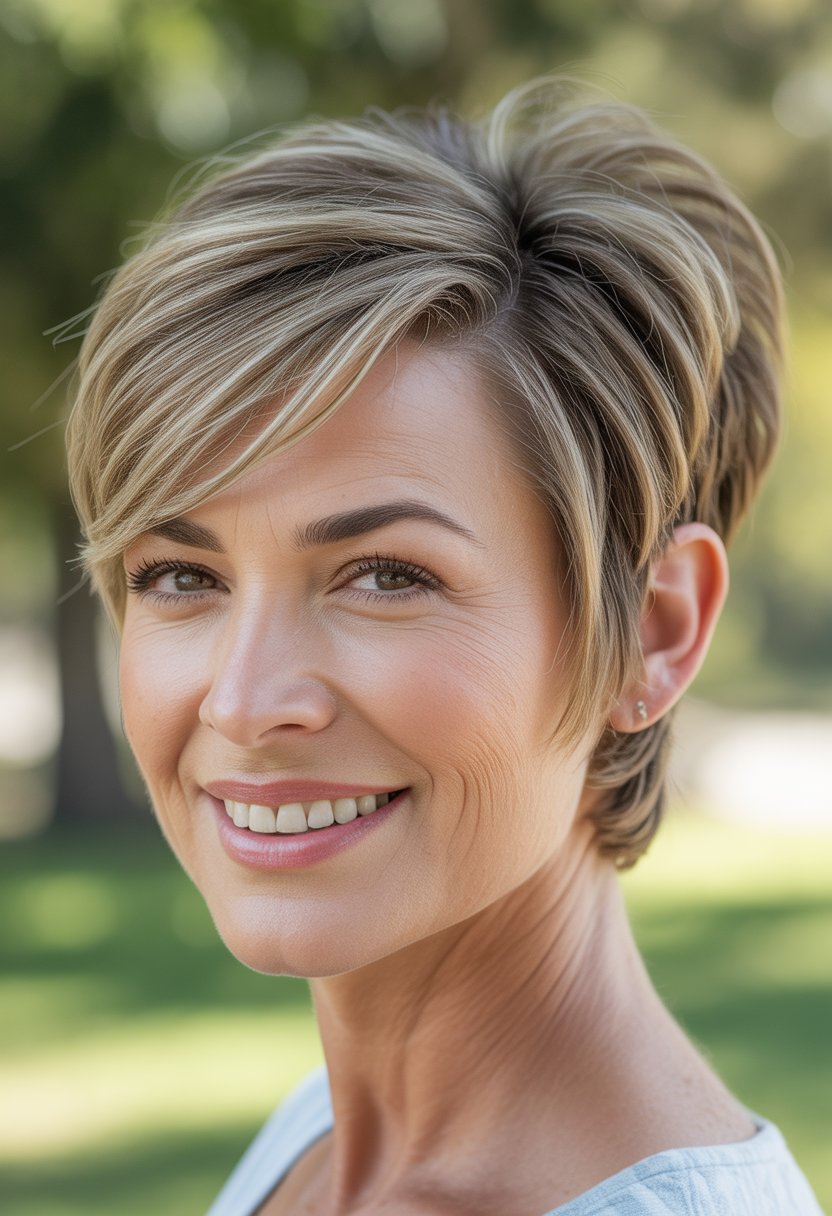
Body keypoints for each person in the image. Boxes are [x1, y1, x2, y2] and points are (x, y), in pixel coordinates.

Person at [65, 78, 824, 1215]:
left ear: (651, 632)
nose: (244, 700)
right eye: (184, 576)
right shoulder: (319, 1139)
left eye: (386, 577)